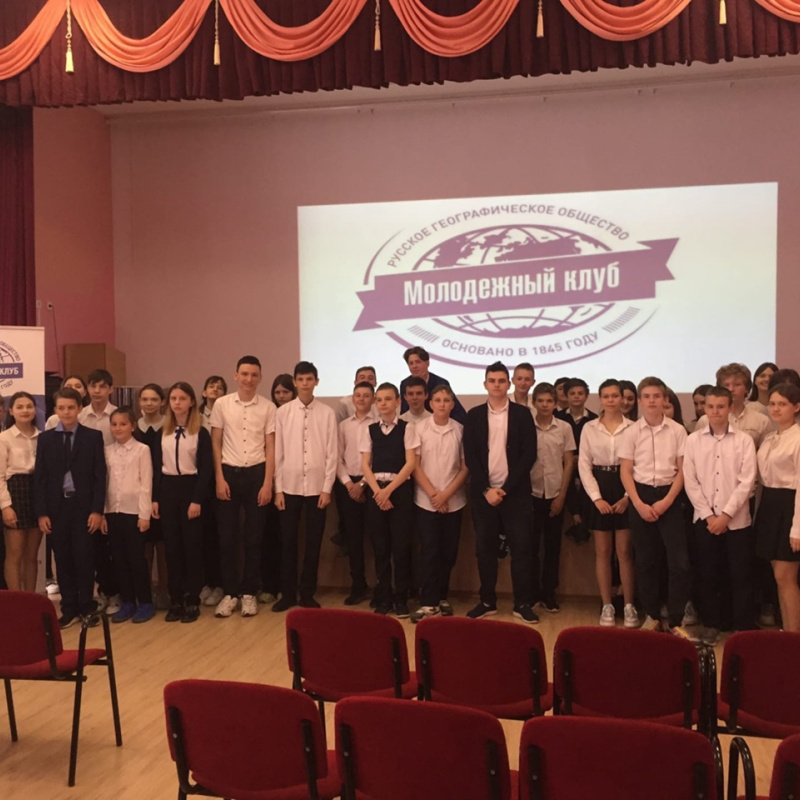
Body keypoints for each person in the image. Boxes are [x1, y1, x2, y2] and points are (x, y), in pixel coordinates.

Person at [463, 361, 538, 622]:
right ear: (485, 384)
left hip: (515, 494)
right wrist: (487, 489)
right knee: (485, 549)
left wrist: (504, 489)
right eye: (492, 381)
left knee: (522, 549)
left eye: (501, 381)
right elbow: (471, 456)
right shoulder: (473, 415)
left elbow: (529, 455)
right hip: (483, 495)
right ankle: (487, 601)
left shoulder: (522, 414)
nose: (497, 385)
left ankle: (522, 603)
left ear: (509, 384)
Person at [683, 386, 757, 645]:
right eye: (710, 407)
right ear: (704, 408)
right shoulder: (693, 440)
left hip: (736, 520)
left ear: (730, 408)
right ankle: (712, 624)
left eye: (720, 407)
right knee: (708, 574)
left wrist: (725, 515)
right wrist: (708, 515)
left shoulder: (744, 440)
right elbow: (690, 481)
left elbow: (747, 482)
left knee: (740, 574)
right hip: (704, 520)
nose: (715, 412)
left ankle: (741, 627)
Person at [619, 376, 692, 637]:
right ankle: (651, 614)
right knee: (646, 561)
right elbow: (626, 471)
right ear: (640, 401)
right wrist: (638, 503)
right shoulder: (631, 432)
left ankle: (675, 619)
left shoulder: (677, 431)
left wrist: (668, 501)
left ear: (665, 399)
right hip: (640, 497)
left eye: (656, 396)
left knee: (679, 562)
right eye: (647, 397)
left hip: (669, 496)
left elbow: (683, 470)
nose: (652, 401)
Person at [34, 387, 106, 629]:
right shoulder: (46, 439)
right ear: (55, 410)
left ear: (79, 409)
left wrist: (97, 510)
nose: (66, 412)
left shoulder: (92, 437)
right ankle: (69, 608)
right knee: (62, 559)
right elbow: (40, 478)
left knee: (84, 557)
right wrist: (42, 512)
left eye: (71, 408)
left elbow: (99, 476)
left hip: (83, 506)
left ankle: (87, 606)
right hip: (57, 508)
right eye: (62, 408)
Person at [210, 356, 276, 618]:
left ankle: (249, 592)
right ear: (236, 375)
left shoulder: (268, 407)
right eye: (245, 374)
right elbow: (216, 442)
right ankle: (230, 593)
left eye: (254, 375)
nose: (249, 379)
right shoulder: (222, 404)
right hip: (228, 473)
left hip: (257, 474)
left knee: (254, 538)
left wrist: (268, 483)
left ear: (260, 378)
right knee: (227, 538)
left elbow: (271, 446)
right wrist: (219, 478)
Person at [272, 362, 338, 611]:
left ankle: (308, 593)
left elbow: (332, 452)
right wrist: (278, 489)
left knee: (313, 542)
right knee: (288, 542)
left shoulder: (327, 413)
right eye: (301, 379)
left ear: (316, 382)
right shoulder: (283, 413)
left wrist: (327, 488)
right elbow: (278, 452)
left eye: (309, 379)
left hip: (317, 489)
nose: (305, 383)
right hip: (289, 488)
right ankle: (288, 594)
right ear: (295, 382)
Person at [578, 379, 638, 628]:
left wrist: (627, 497)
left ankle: (629, 605)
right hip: (599, 486)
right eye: (607, 396)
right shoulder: (589, 428)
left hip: (626, 485)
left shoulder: (633, 427)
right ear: (600, 399)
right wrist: (597, 498)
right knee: (602, 551)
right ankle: (607, 605)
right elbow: (584, 464)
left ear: (622, 398)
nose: (612, 400)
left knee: (624, 552)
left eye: (616, 395)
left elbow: (638, 464)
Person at [153, 383, 213, 623]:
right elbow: (156, 467)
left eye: (182, 398)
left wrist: (197, 499)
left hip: (191, 489)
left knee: (192, 547)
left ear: (191, 402)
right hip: (168, 489)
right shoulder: (162, 432)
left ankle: (192, 599)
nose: (177, 402)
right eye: (173, 398)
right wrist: (155, 498)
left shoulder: (201, 433)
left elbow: (206, 469)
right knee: (172, 548)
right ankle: (175, 599)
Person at [410, 385, 469, 623]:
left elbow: (465, 468)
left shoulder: (460, 430)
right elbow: (415, 465)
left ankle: (441, 596)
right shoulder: (419, 428)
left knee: (448, 552)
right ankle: (428, 602)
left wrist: (446, 495)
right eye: (438, 400)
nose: (442, 404)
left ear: (452, 404)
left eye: (446, 400)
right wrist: (434, 494)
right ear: (430, 403)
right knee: (429, 551)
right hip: (426, 500)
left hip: (454, 500)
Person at [360, 382, 419, 617]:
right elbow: (366, 464)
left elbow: (411, 463)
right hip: (376, 491)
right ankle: (383, 596)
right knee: (381, 547)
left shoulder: (408, 428)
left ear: (398, 402)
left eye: (388, 399)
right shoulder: (370, 430)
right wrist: (378, 492)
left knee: (401, 547)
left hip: (399, 491)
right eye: (379, 399)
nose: (383, 403)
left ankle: (401, 598)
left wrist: (389, 491)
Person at [102, 407, 155, 624]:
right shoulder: (107, 451)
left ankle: (145, 602)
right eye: (114, 424)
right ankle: (128, 602)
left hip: (134, 512)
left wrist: (144, 515)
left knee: (136, 559)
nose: (118, 428)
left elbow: (146, 483)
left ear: (133, 426)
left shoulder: (142, 450)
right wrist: (103, 513)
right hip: (113, 512)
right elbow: (104, 483)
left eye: (123, 424)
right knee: (119, 559)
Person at [755, 383, 800, 633]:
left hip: (790, 507)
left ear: (796, 407)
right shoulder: (770, 438)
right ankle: (788, 632)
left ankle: (794, 637)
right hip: (770, 505)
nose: (775, 408)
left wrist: (797, 528)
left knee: (786, 576)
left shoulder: (798, 438)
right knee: (778, 577)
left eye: (782, 404)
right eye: (772, 404)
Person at [530, 383, 576, 613]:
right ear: (534, 403)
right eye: (541, 401)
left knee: (552, 547)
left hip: (555, 494)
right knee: (530, 547)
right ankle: (531, 593)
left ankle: (549, 593)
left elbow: (569, 462)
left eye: (549, 401)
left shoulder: (564, 428)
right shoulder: (526, 426)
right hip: (531, 493)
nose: (545, 405)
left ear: (556, 404)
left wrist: (562, 496)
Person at [78, 368, 120, 614]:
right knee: (94, 546)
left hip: (116, 484)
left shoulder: (117, 415)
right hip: (88, 487)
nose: (97, 390)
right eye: (92, 385)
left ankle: (117, 593)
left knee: (114, 544)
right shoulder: (80, 416)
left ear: (110, 389)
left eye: (102, 386)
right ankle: (103, 592)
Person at [336, 380, 376, 605]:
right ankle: (358, 586)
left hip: (374, 486)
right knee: (353, 539)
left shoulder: (379, 424)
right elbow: (336, 457)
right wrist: (349, 484)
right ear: (353, 399)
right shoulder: (343, 426)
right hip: (348, 486)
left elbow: (379, 458)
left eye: (366, 395)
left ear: (373, 399)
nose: (361, 399)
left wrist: (363, 484)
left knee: (378, 539)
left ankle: (382, 587)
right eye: (358, 395)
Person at [258, 373, 296, 605]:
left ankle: (285, 586)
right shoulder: (269, 414)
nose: (281, 396)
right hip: (266, 483)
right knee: (267, 537)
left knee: (286, 540)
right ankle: (269, 585)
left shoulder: (296, 416)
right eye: (277, 392)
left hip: (289, 485)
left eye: (286, 392)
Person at [0, 392, 42, 591]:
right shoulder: (4, 438)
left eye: (29, 406)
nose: (25, 410)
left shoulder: (42, 437)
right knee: (14, 554)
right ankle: (17, 602)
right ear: (11, 411)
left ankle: (31, 600)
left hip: (37, 492)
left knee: (31, 555)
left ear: (35, 410)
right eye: (19, 407)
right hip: (14, 493)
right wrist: (5, 506)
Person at [134, 383, 169, 610]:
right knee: (143, 546)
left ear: (162, 402)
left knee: (164, 546)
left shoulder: (169, 426)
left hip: (164, 493)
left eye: (154, 399)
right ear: (139, 402)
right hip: (139, 494)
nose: (149, 403)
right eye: (145, 399)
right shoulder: (133, 427)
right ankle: (145, 593)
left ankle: (164, 591)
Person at [695, 364, 771, 448]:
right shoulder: (705, 420)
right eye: (726, 385)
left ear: (747, 388)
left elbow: (765, 452)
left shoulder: (762, 421)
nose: (731, 389)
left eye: (737, 385)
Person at [556, 378, 598, 526]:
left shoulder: (595, 420)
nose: (576, 396)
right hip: (563, 468)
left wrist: (582, 459)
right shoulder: (557, 418)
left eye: (580, 393)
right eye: (572, 393)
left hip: (588, 468)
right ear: (566, 396)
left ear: (586, 396)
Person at [399, 347, 466, 424]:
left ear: (427, 363)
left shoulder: (441, 383)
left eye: (418, 362)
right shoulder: (404, 384)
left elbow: (458, 413)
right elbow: (404, 411)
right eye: (411, 363)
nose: (414, 366)